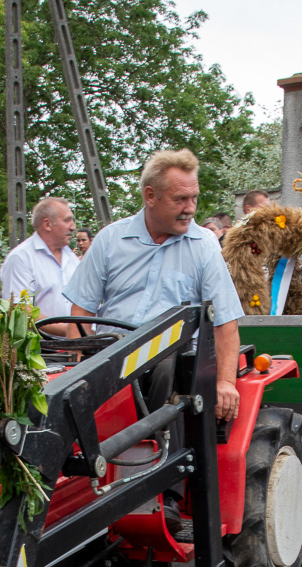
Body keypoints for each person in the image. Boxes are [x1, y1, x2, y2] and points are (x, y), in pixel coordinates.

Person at [63, 148, 244, 422]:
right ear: (150, 196)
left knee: (166, 363)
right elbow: (81, 313)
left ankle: (155, 445)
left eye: (194, 198)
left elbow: (224, 321)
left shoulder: (204, 245)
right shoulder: (110, 240)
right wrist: (74, 373)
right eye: (180, 199)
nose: (190, 209)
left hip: (173, 365)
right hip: (111, 358)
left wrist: (226, 383)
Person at [0, 197, 79, 319]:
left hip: (82, 337)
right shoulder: (21, 258)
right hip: (43, 338)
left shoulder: (71, 258)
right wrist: (70, 331)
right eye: (67, 220)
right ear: (47, 224)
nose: (73, 227)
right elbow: (20, 310)